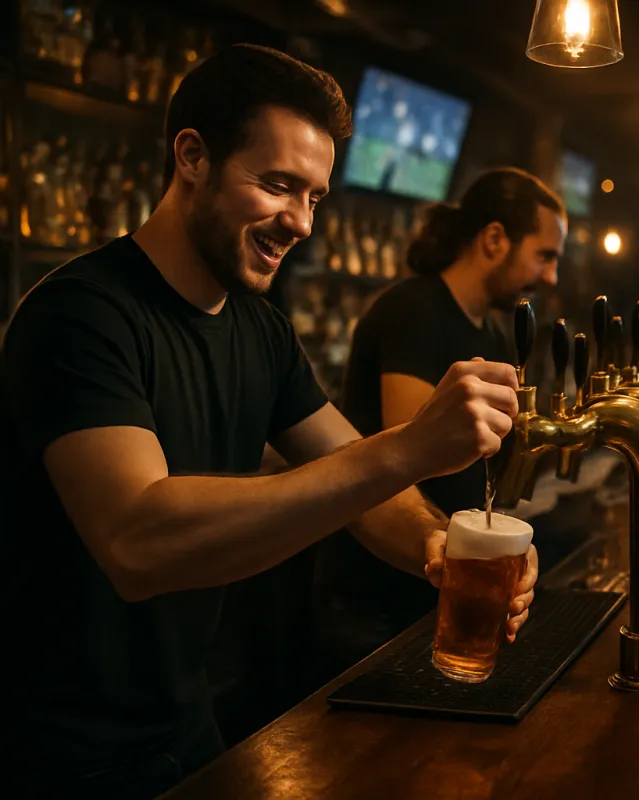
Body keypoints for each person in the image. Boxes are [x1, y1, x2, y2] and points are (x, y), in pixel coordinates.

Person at [0, 45, 534, 799]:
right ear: (192, 156)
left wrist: (442, 547)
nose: (302, 222)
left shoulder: (260, 328)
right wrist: (409, 448)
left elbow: (362, 479)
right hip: (60, 754)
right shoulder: (80, 315)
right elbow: (138, 539)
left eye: (315, 196)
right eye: (278, 185)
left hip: (190, 727)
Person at [319, 167, 565, 664]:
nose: (552, 276)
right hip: (378, 594)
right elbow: (415, 449)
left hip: (440, 575)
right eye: (545, 255)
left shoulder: (492, 335)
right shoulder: (414, 310)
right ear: (494, 239)